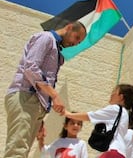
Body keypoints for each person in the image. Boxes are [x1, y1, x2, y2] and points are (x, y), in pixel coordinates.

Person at [4, 21, 86, 158]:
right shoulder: (46, 38)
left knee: (22, 151)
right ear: (69, 27)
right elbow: (31, 67)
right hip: (26, 97)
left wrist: (40, 115)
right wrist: (54, 95)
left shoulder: (57, 51)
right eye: (77, 38)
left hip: (33, 104)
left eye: (79, 42)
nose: (76, 43)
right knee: (17, 150)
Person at [64, 84, 133, 158]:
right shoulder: (125, 114)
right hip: (119, 152)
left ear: (121, 97)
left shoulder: (115, 109)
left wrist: (69, 114)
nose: (111, 94)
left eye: (114, 92)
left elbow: (91, 116)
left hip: (112, 152)